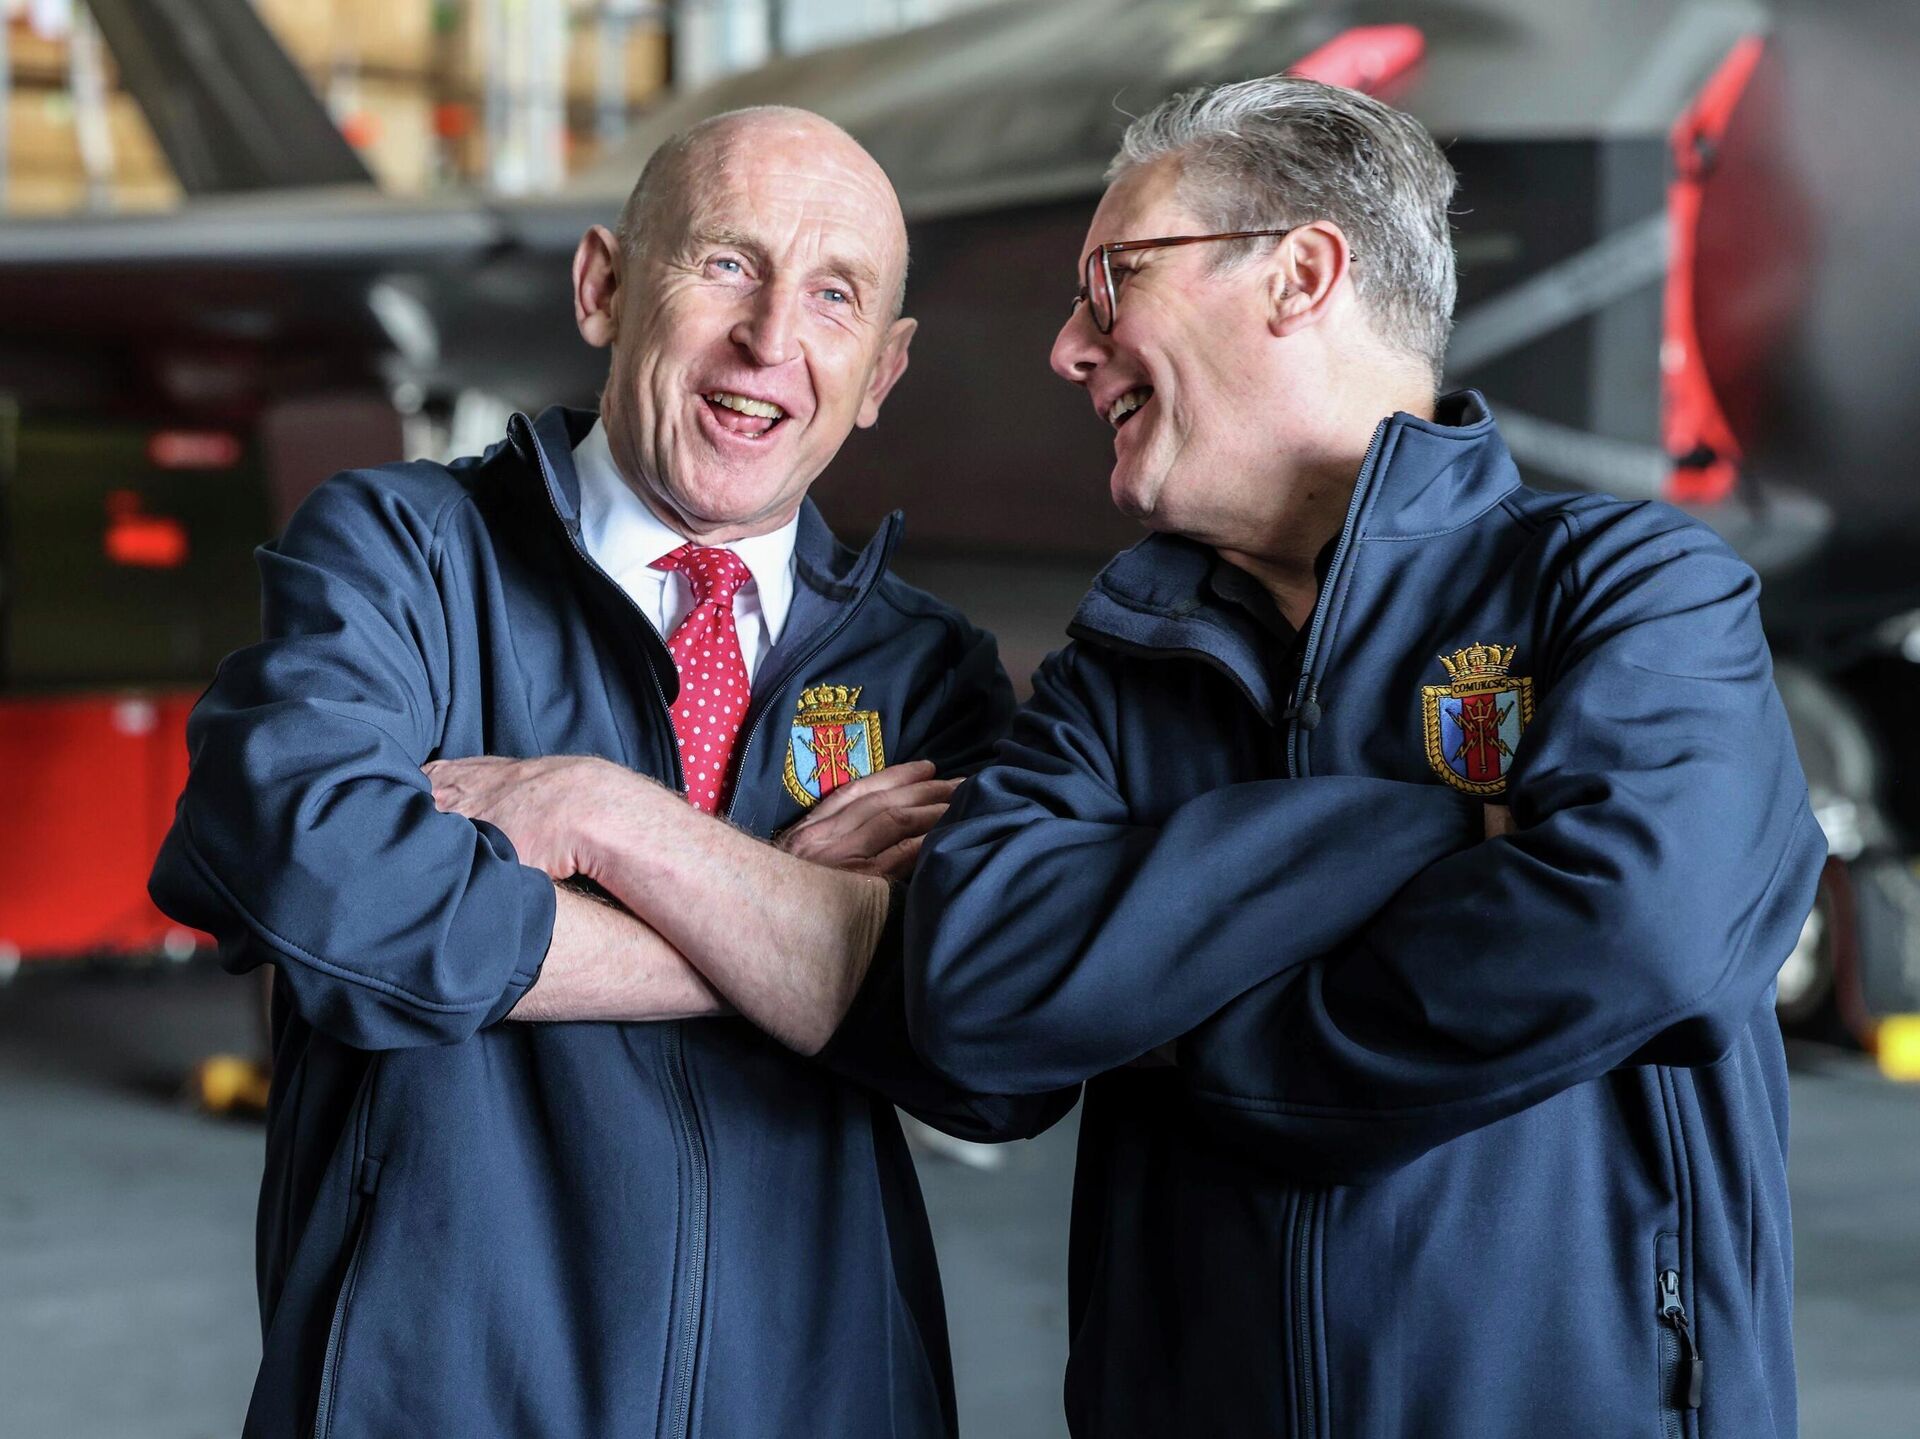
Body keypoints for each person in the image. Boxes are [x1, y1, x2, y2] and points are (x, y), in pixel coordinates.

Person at [905, 76, 1827, 1436]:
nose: (1067, 348)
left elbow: (1646, 927)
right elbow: (974, 1002)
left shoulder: (1633, 591)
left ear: (1301, 275)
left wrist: (1204, 1039)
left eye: (1111, 280)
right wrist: (1443, 829)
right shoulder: (1118, 675)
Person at [150, 106, 1066, 1439]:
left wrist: (607, 819)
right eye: (727, 264)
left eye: (834, 296)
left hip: (814, 1404)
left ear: (881, 370)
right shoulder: (401, 558)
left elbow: (1004, 1050)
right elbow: (322, 889)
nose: (771, 339)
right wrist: (794, 918)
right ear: (604, 288)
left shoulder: (927, 674)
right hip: (443, 1400)